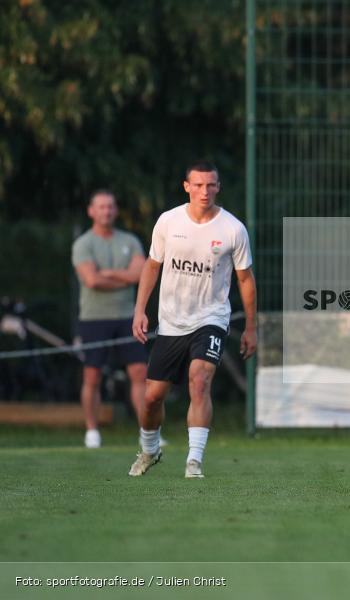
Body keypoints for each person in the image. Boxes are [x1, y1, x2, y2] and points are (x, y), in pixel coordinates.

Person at [129, 161, 257, 479]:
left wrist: (252, 327)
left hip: (211, 318)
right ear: (186, 186)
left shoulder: (233, 229)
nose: (205, 191)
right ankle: (149, 450)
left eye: (211, 185)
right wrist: (139, 309)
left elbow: (245, 280)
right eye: (198, 185)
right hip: (171, 321)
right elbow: (151, 266)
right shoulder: (168, 221)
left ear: (218, 187)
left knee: (199, 382)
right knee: (152, 398)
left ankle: (194, 460)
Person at [72, 190, 147, 448]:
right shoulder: (83, 244)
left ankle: (146, 431)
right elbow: (91, 280)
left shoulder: (131, 241)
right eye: (101, 207)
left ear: (116, 211)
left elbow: (139, 275)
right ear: (91, 211)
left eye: (111, 207)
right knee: (92, 375)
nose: (107, 211)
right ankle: (92, 431)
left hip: (128, 316)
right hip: (94, 318)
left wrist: (109, 274)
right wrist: (122, 277)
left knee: (139, 371)